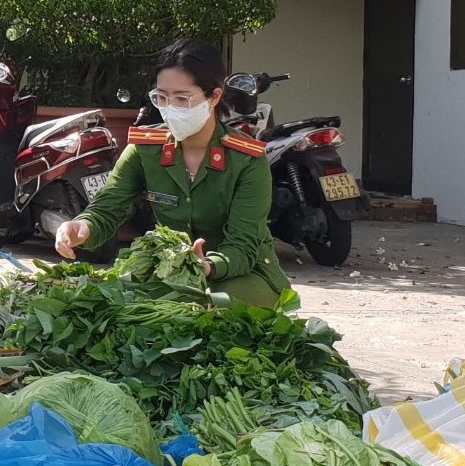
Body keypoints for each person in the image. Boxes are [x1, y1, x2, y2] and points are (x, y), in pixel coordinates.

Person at [55, 39, 293, 307]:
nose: (170, 109)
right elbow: (108, 207)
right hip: (171, 271)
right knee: (111, 305)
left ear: (213, 97)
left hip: (241, 273)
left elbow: (243, 245)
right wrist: (81, 227)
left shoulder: (247, 159)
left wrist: (207, 266)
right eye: (162, 98)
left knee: (212, 309)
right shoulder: (145, 150)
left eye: (182, 98)